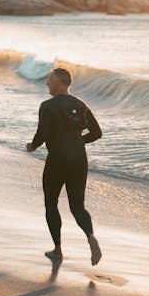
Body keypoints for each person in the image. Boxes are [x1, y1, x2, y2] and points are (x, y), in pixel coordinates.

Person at [26, 67, 103, 265]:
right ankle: (91, 237)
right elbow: (97, 133)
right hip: (79, 159)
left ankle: (58, 250)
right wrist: (78, 142)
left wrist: (32, 146)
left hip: (57, 160)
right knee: (77, 206)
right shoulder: (81, 104)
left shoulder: (48, 106)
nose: (47, 83)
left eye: (50, 80)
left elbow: (42, 134)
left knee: (51, 203)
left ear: (60, 81)